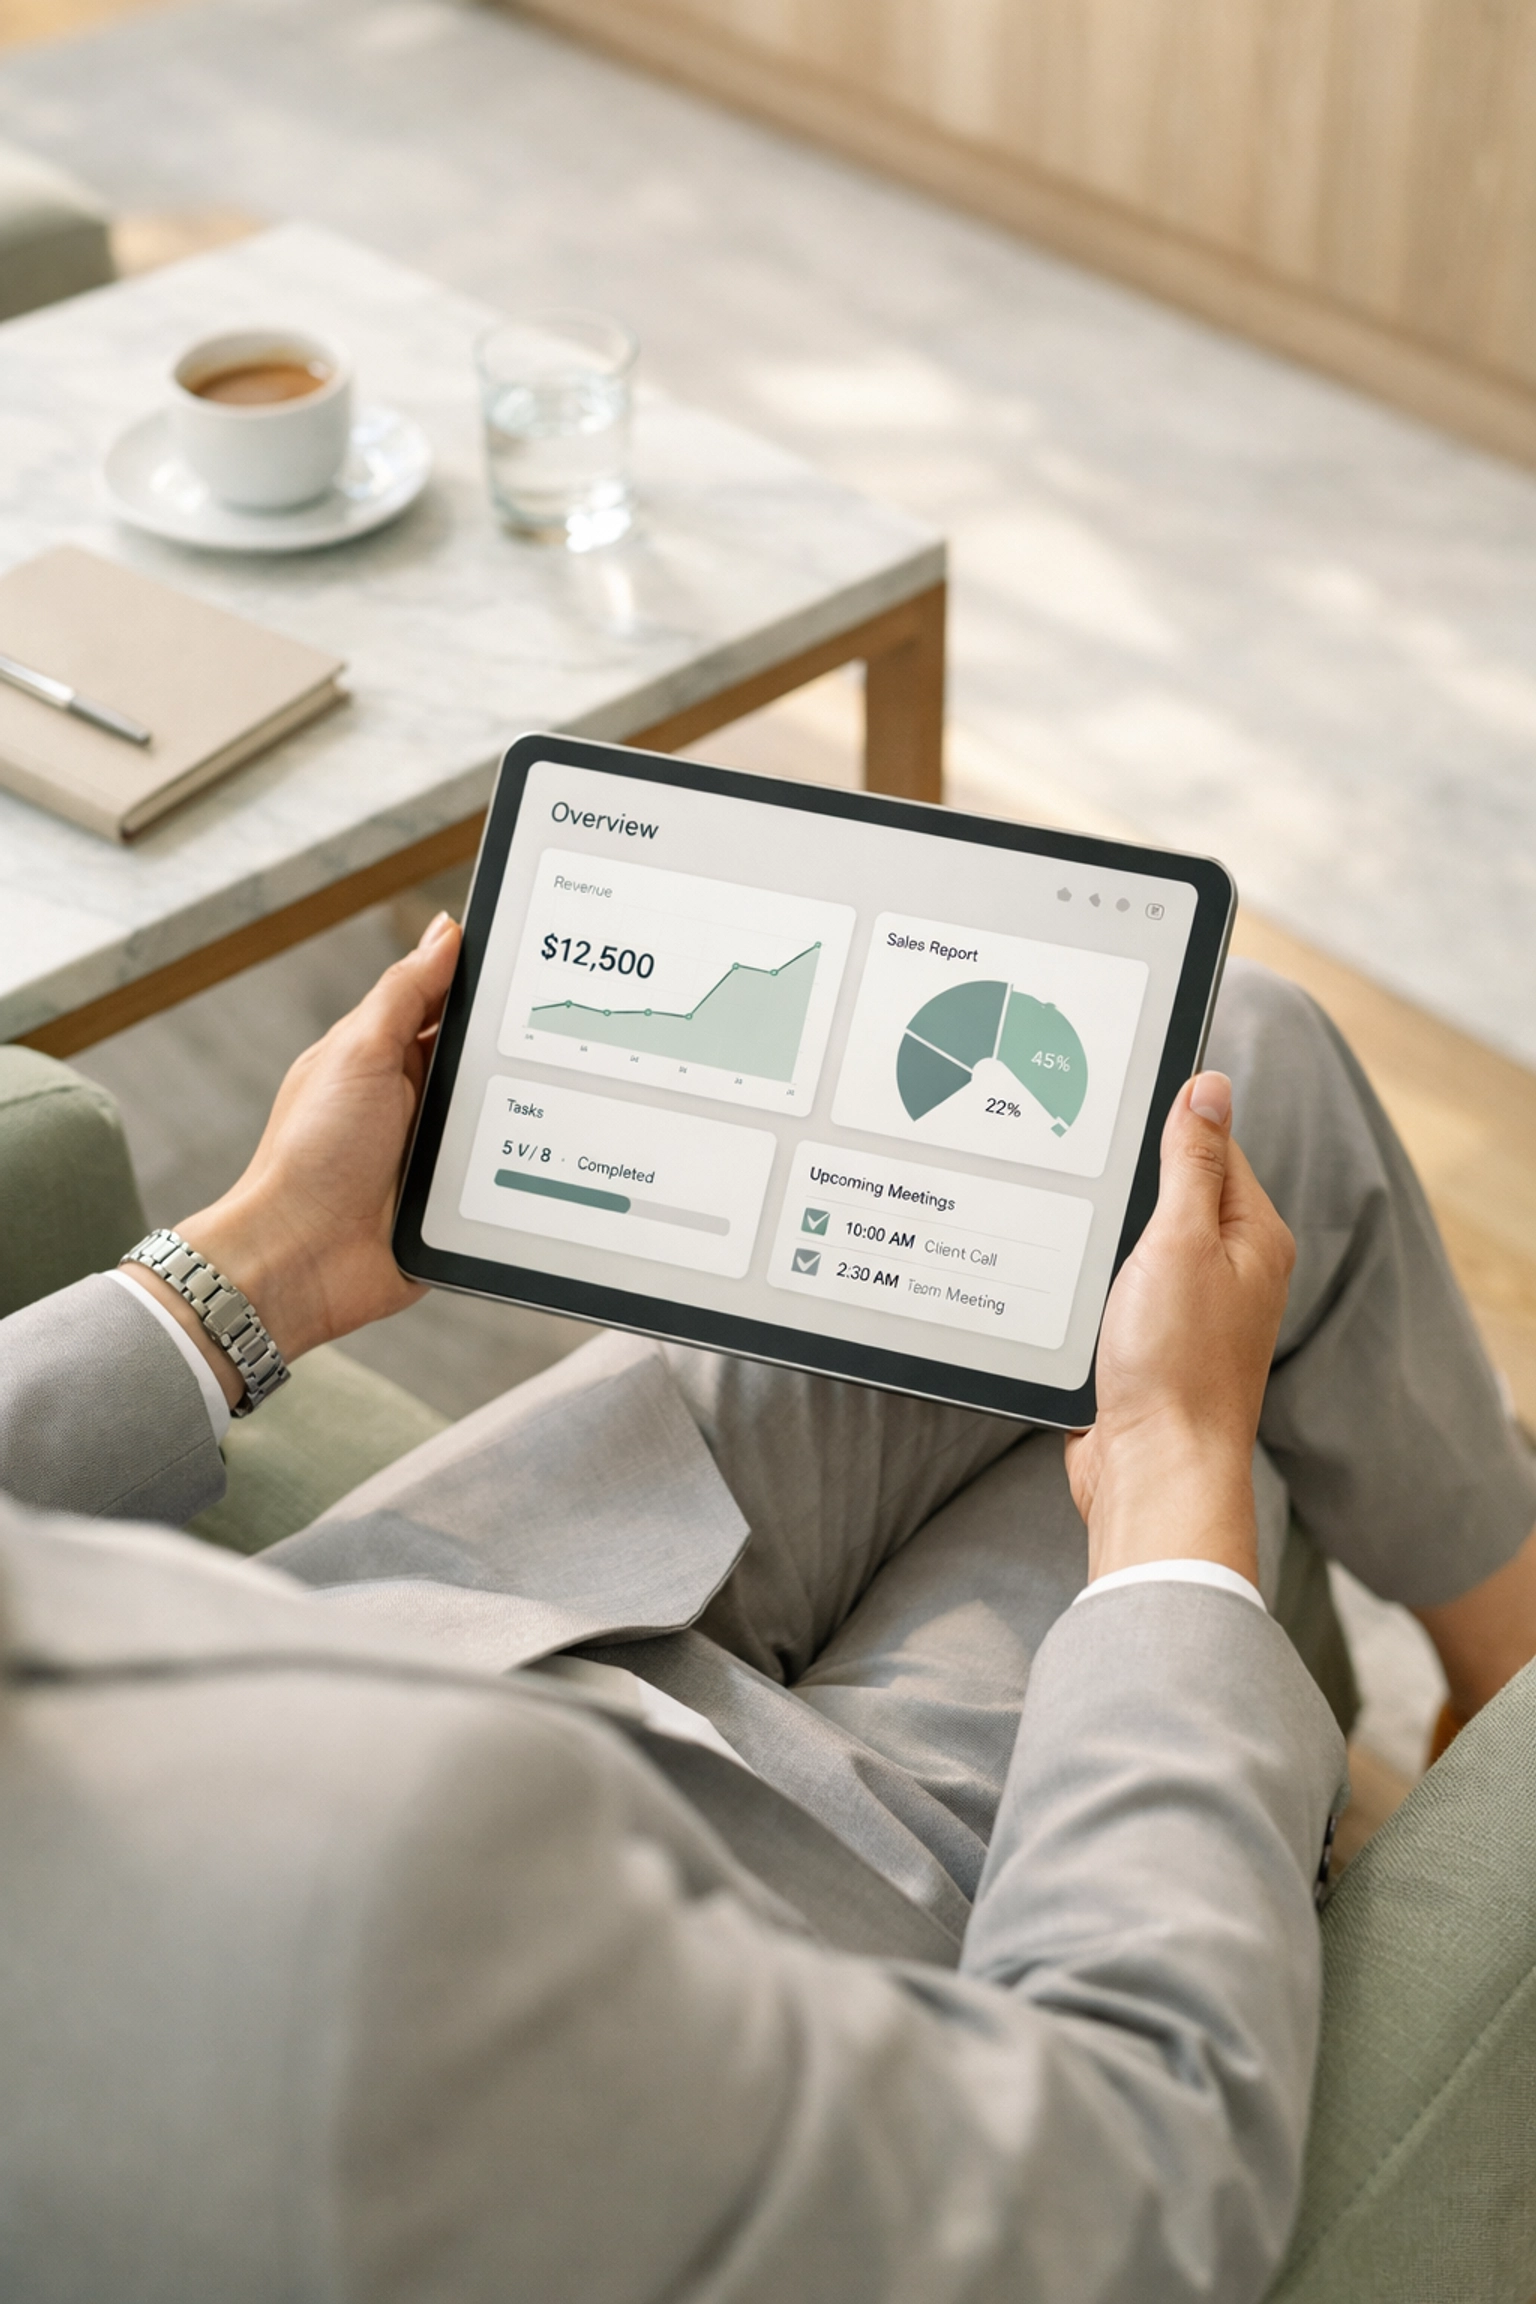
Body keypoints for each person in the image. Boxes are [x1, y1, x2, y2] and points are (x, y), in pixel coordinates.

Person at [1, 913, 1532, 2304]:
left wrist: (255, 1261)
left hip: (422, 1608)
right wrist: (1166, 1475)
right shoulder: (340, 1974)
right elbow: (1134, 2187)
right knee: (1227, 1358)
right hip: (769, 1935)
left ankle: (1491, 1651)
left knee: (1205, 1079)